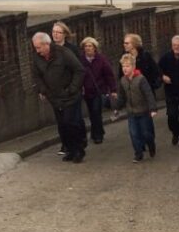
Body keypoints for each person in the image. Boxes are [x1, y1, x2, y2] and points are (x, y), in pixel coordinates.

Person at [31, 32, 86, 163]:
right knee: (63, 125)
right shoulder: (37, 58)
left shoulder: (63, 53)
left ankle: (79, 150)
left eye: (39, 47)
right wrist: (43, 90)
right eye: (35, 48)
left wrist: (72, 89)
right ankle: (70, 150)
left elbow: (79, 70)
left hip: (70, 96)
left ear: (46, 44)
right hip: (54, 97)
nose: (37, 51)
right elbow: (36, 76)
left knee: (71, 122)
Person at [114, 53, 158, 162]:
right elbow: (122, 97)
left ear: (133, 67)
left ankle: (151, 145)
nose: (125, 68)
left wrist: (152, 109)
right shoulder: (122, 81)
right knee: (134, 134)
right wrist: (117, 108)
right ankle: (138, 154)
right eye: (123, 66)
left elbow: (148, 94)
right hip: (131, 113)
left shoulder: (141, 79)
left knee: (146, 133)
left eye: (127, 66)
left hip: (143, 111)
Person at [51, 21, 87, 153]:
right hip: (57, 92)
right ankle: (66, 144)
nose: (55, 35)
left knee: (73, 119)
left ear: (65, 34)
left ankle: (79, 141)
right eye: (53, 32)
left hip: (72, 90)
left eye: (58, 32)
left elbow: (79, 69)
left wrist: (76, 87)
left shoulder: (72, 50)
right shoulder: (50, 49)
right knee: (61, 121)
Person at [80, 36, 117, 144]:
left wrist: (113, 89)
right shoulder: (81, 60)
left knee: (97, 112)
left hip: (99, 91)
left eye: (90, 46)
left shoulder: (101, 60)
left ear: (94, 48)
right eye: (86, 46)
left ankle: (98, 135)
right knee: (91, 113)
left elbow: (109, 75)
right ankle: (96, 131)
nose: (88, 48)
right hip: (86, 92)